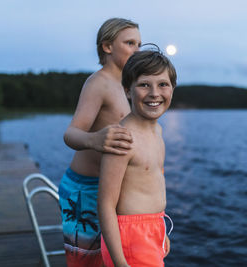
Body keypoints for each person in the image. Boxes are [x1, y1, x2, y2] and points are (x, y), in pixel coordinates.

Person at [58, 18, 141, 267]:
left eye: (139, 44)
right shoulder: (99, 83)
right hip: (85, 189)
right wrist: (95, 139)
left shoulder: (130, 86)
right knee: (87, 261)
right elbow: (71, 133)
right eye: (129, 43)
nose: (137, 50)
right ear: (107, 46)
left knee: (114, 256)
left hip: (112, 189)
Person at [98, 49, 176, 267]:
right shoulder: (123, 138)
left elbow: (153, 179)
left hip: (152, 229)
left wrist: (159, 230)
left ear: (172, 89)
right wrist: (120, 262)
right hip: (130, 238)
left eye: (163, 84)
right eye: (144, 84)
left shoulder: (157, 131)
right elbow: (105, 204)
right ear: (128, 91)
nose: (154, 93)